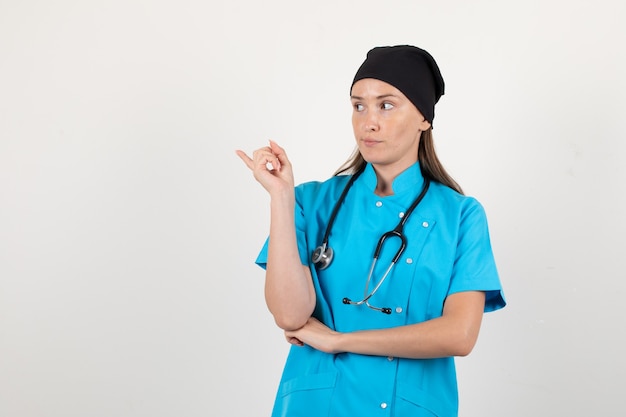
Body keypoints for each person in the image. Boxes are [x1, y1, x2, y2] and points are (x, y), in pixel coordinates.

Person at [236, 45, 505, 417]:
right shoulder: (309, 203)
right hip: (316, 404)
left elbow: (459, 334)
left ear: (423, 118)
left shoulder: (460, 216)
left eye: (387, 105)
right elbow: (289, 314)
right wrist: (280, 197)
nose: (368, 122)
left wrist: (339, 341)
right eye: (358, 106)